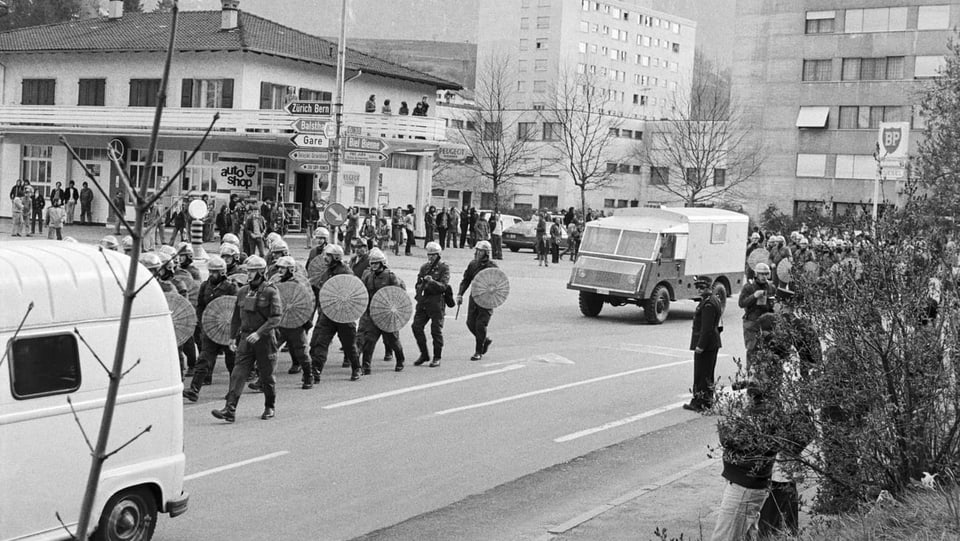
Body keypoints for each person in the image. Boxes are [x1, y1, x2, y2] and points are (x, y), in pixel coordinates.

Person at [212, 255, 282, 423]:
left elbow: (276, 317)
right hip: (245, 339)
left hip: (264, 340)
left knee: (267, 376)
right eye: (248, 271)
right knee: (238, 374)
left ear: (261, 272)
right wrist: (231, 338)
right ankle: (230, 409)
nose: (249, 274)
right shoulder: (242, 291)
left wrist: (259, 333)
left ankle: (269, 406)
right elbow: (236, 316)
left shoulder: (271, 291)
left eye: (252, 271)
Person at [710, 381, 779, 541]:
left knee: (725, 536)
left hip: (745, 485)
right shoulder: (766, 411)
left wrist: (728, 424)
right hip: (748, 483)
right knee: (746, 535)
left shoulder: (761, 415)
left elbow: (731, 438)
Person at [183, 255, 239, 402]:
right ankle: (194, 390)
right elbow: (201, 305)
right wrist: (203, 321)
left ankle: (233, 391)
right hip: (211, 328)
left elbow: (236, 306)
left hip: (228, 330)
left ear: (222, 273)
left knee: (232, 362)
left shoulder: (231, 287)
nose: (211, 274)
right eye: (210, 271)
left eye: (214, 272)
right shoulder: (205, 285)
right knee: (203, 359)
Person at [308, 244, 362, 382]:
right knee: (321, 343)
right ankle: (316, 371)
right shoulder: (327, 271)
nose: (325, 258)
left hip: (343, 314)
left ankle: (356, 367)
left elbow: (352, 291)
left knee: (349, 344)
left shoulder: (346, 272)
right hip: (328, 313)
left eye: (328, 256)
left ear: (336, 257)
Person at [358, 248, 406, 374]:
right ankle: (366, 366)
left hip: (388, 314)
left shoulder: (391, 276)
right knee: (369, 341)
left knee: (393, 340)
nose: (373, 266)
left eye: (376, 263)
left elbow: (399, 294)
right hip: (373, 314)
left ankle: (400, 360)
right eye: (372, 263)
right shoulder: (368, 276)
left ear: (382, 263)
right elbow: (364, 293)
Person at [272, 256, 314, 388]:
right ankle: (263, 381)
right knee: (270, 350)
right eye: (279, 267)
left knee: (301, 352)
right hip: (279, 322)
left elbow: (306, 302)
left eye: (283, 268)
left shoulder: (298, 284)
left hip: (295, 323)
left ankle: (308, 376)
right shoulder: (275, 281)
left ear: (290, 269)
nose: (280, 270)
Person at [683, 276, 723, 412]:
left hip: (707, 344)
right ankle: (705, 401)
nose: (699, 290)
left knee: (702, 374)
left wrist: (700, 345)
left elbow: (706, 328)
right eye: (698, 287)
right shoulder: (713, 300)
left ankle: (701, 402)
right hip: (712, 343)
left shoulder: (708, 304)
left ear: (709, 287)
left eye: (702, 287)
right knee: (707, 373)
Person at [457, 240, 497, 361]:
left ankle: (478, 351)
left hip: (487, 299)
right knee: (470, 323)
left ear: (486, 253)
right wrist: (460, 294)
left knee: (480, 325)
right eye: (477, 251)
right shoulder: (473, 264)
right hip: (474, 297)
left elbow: (498, 283)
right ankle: (484, 340)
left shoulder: (492, 266)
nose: (477, 253)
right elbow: (466, 280)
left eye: (479, 251)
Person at [412, 242, 450, 367]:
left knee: (436, 331)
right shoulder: (424, 268)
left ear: (439, 255)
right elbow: (417, 283)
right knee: (416, 327)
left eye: (433, 255)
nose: (431, 257)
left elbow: (444, 286)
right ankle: (424, 354)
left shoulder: (444, 268)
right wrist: (420, 286)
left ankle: (437, 357)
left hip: (436, 303)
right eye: (429, 255)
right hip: (424, 302)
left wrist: (432, 282)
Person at [738, 261, 776, 370]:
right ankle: (750, 373)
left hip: (767, 323)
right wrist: (754, 296)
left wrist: (772, 302)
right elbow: (741, 303)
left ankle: (765, 374)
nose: (764, 277)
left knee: (768, 348)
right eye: (761, 274)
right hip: (752, 322)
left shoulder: (771, 287)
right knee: (752, 349)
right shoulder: (749, 287)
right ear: (756, 274)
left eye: (766, 274)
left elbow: (775, 303)